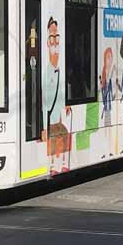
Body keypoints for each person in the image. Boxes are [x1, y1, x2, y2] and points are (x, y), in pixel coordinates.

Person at [42, 17, 70, 174]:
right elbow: (44, 101)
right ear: (47, 43)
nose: (55, 43)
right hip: (51, 119)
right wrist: (44, 127)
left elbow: (59, 92)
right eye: (52, 38)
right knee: (57, 137)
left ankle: (61, 164)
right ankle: (53, 165)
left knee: (64, 135)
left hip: (57, 116)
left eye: (57, 38)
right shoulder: (47, 72)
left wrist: (64, 105)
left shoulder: (58, 69)